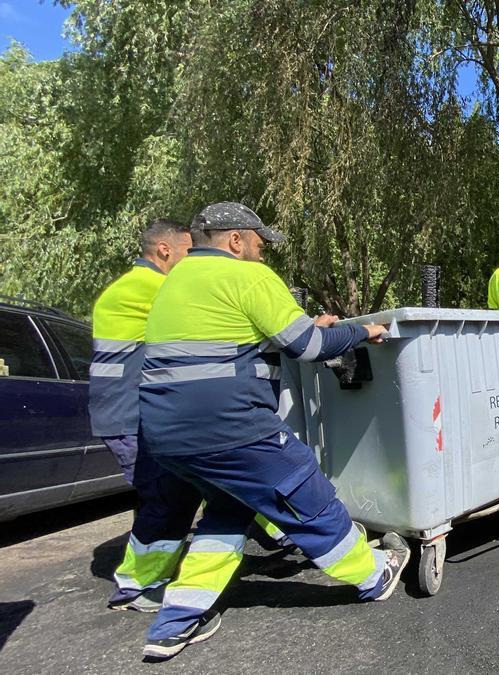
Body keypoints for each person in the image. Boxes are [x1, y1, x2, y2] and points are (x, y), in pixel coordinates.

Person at [137, 202, 404, 659]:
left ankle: (175, 622)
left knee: (227, 511)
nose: (263, 255)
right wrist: (364, 333)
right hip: (230, 427)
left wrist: (295, 330)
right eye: (260, 245)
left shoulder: (174, 281)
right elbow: (310, 346)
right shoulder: (250, 277)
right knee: (304, 489)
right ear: (236, 242)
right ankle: (373, 575)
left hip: (164, 434)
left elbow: (220, 342)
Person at [90, 219, 201, 612]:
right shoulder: (152, 287)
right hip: (128, 415)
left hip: (128, 413)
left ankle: (152, 572)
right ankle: (135, 585)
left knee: (174, 491)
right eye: (189, 251)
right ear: (165, 250)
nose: (194, 259)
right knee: (166, 495)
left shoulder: (132, 286)